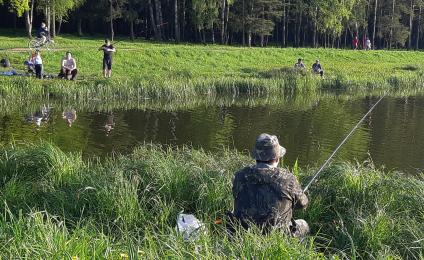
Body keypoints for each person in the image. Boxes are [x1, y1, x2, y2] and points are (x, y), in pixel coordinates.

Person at [231, 133, 309, 238]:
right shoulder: (288, 178)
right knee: (304, 224)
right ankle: (298, 248)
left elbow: (236, 195)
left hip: (243, 232)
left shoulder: (240, 175)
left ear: (256, 157)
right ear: (277, 158)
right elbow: (303, 204)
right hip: (278, 235)